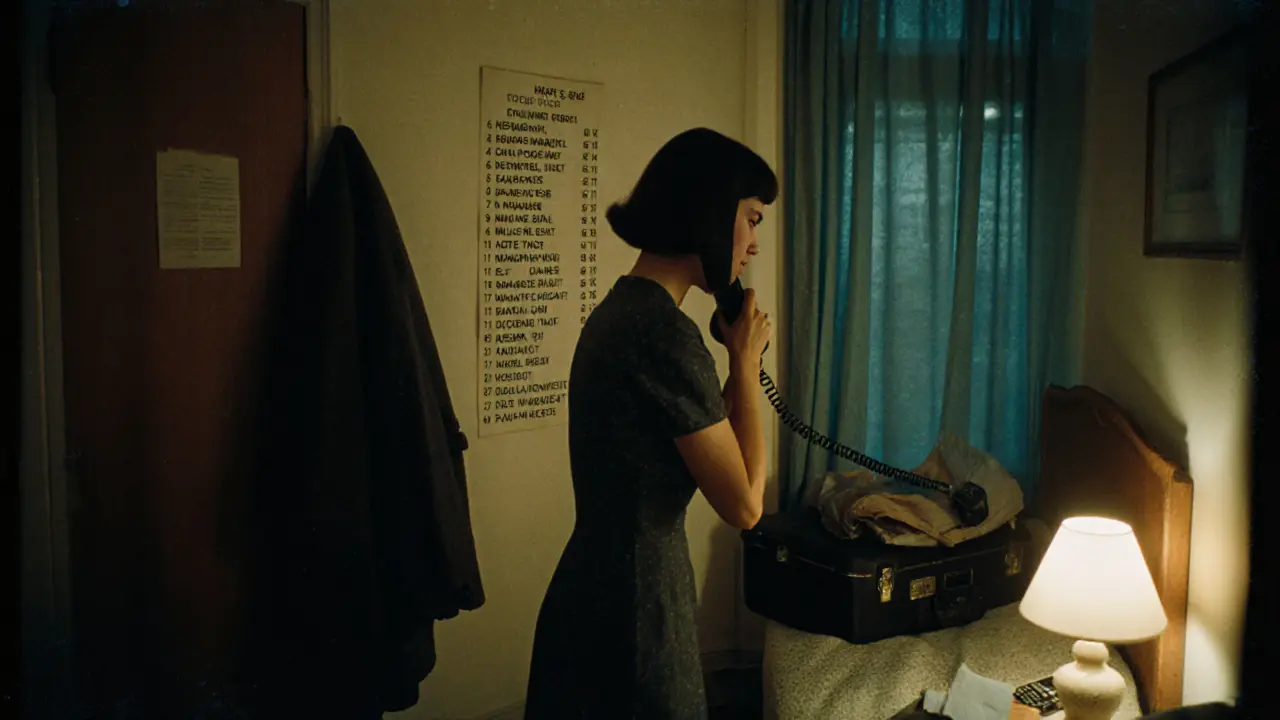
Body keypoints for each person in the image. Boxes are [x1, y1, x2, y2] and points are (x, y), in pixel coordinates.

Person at [523, 127, 777, 719]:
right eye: (752, 218)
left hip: (592, 585)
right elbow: (745, 504)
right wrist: (743, 362)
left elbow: (698, 440)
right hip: (639, 604)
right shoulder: (665, 334)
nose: (754, 244)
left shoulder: (621, 310)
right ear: (711, 215)